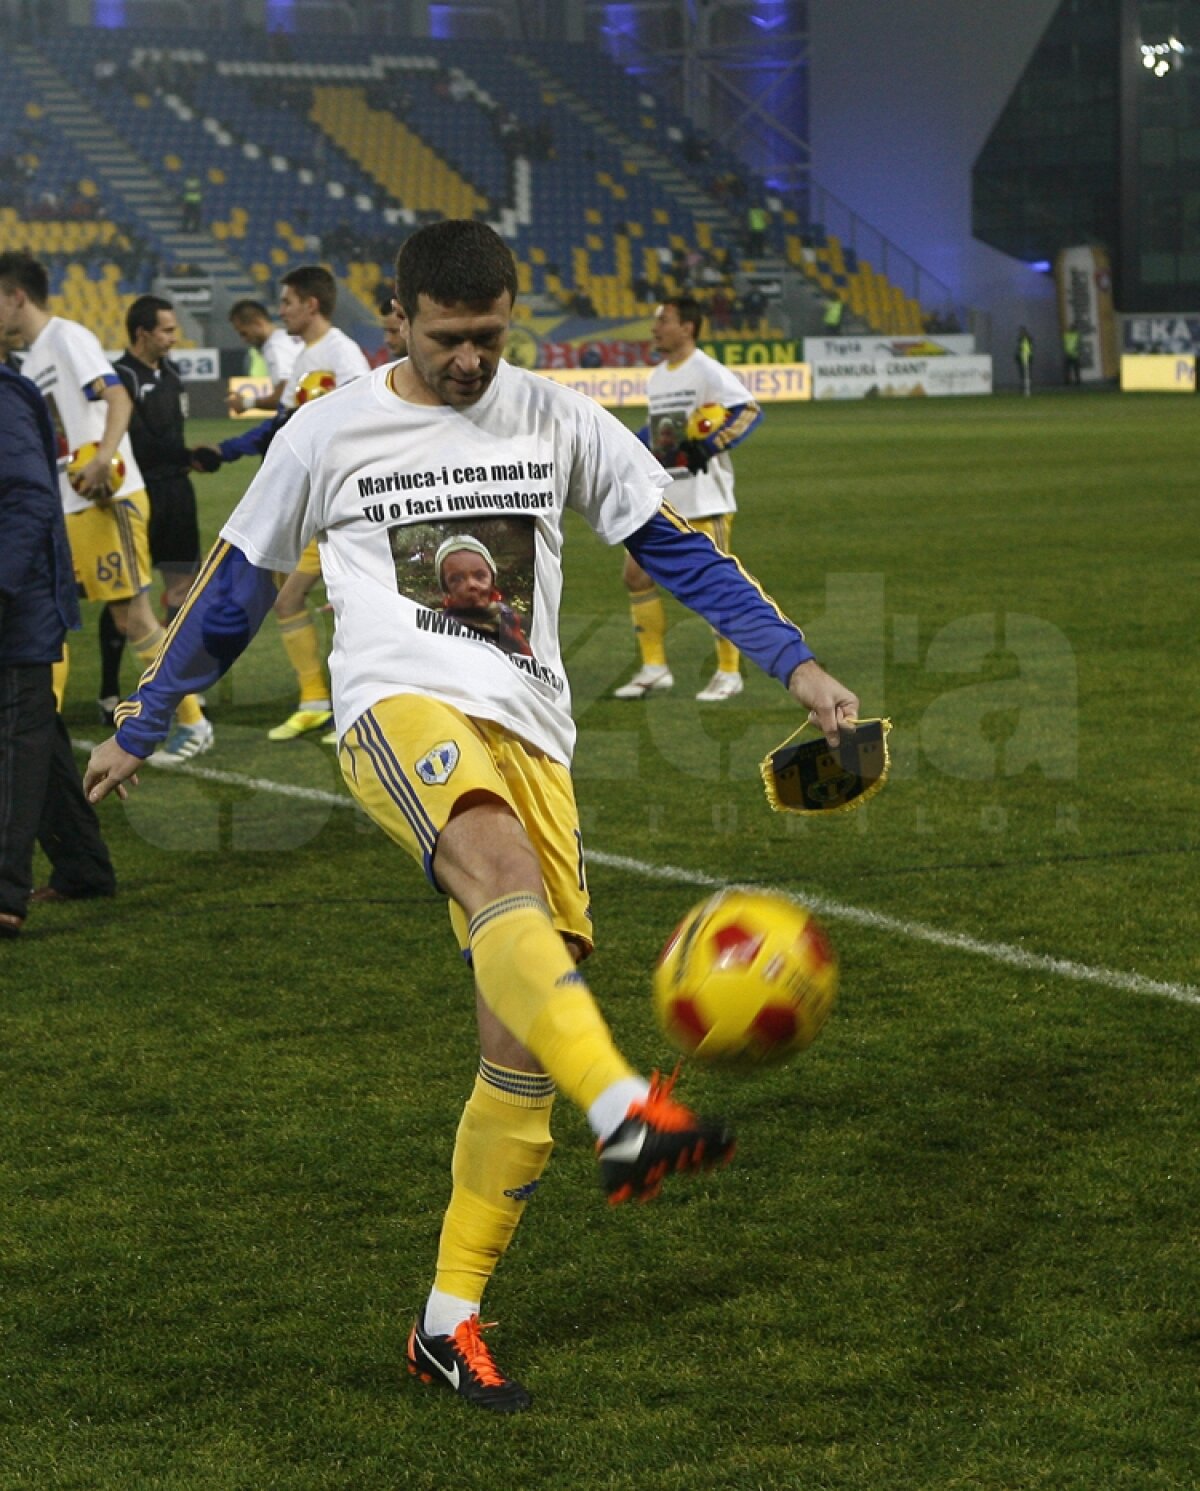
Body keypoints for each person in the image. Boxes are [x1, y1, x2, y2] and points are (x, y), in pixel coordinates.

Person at [84, 218, 859, 1413]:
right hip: (398, 708)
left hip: (533, 737)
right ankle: (627, 1109)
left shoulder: (556, 418)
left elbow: (677, 550)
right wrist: (145, 718)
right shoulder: (328, 430)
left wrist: (797, 666)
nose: (468, 360)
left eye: (489, 337)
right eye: (447, 338)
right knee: (496, 870)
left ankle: (448, 1321)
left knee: (519, 1051)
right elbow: (235, 589)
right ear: (397, 320)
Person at [0, 250, 211, 766]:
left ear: (16, 296)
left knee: (134, 618)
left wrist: (104, 459)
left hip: (108, 500)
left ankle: (193, 722)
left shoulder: (67, 338)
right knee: (49, 614)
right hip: (71, 505)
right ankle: (37, 732)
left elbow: (118, 399)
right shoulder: (33, 357)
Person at [194, 265, 370, 743]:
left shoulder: (342, 354)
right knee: (290, 599)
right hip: (315, 503)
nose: (282, 311)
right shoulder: (307, 357)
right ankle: (315, 703)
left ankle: (358, 711)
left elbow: (367, 421)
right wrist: (227, 451)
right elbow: (282, 428)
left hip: (345, 504)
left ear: (311, 304)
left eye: (288, 302)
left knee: (353, 606)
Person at [0, 360, 116, 937]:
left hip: (15, 614)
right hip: (16, 604)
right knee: (33, 737)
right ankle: (82, 867)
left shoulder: (3, 401)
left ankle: (3, 895)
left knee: (14, 742)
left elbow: (27, 499)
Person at [614, 295, 763, 703]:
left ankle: (729, 673)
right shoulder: (658, 376)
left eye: (663, 320)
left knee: (715, 586)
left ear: (687, 327)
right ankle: (654, 668)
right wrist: (630, 448)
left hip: (704, 500)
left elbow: (748, 411)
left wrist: (709, 446)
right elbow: (659, 431)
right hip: (663, 498)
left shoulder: (707, 370)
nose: (655, 328)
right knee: (636, 575)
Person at [100, 295, 203, 724]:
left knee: (181, 591)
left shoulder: (171, 373)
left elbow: (171, 436)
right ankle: (108, 690)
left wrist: (189, 458)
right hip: (138, 495)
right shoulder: (120, 377)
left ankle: (176, 686)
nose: (174, 337)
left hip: (177, 493)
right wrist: (185, 454)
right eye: (166, 330)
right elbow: (141, 444)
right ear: (142, 333)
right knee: (125, 598)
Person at [437, 534, 533, 657]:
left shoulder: (507, 617)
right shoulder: (443, 631)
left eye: (479, 576)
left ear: (492, 580)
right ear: (447, 590)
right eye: (456, 579)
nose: (471, 584)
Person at [226, 299, 300, 413]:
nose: (244, 340)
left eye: (244, 333)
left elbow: (284, 398)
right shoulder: (286, 337)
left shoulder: (275, 348)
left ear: (258, 323)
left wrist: (245, 403)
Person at [1016, 326, 1033, 396]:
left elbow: (1027, 350)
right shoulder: (1023, 340)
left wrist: (1028, 356)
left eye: (1022, 332)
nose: (1021, 333)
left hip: (1026, 358)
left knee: (1026, 375)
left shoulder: (1026, 340)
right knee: (1024, 375)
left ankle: (1027, 390)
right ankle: (1025, 390)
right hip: (1023, 359)